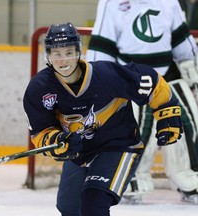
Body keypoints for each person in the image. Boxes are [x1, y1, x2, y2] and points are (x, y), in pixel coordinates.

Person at [23, 22, 183, 216]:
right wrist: (57, 141)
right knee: (69, 208)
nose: (63, 60)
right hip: (80, 154)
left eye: (69, 52)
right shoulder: (39, 89)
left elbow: (152, 81)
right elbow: (41, 131)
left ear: (79, 52)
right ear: (48, 55)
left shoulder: (105, 75)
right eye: (57, 54)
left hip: (118, 147)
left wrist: (168, 111)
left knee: (93, 202)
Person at [86, 0, 198, 203]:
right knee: (136, 127)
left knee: (187, 122)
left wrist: (192, 72)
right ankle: (130, 178)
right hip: (130, 78)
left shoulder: (169, 1)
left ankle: (190, 180)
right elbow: (101, 47)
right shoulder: (111, 3)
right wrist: (97, 85)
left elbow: (182, 42)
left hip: (167, 78)